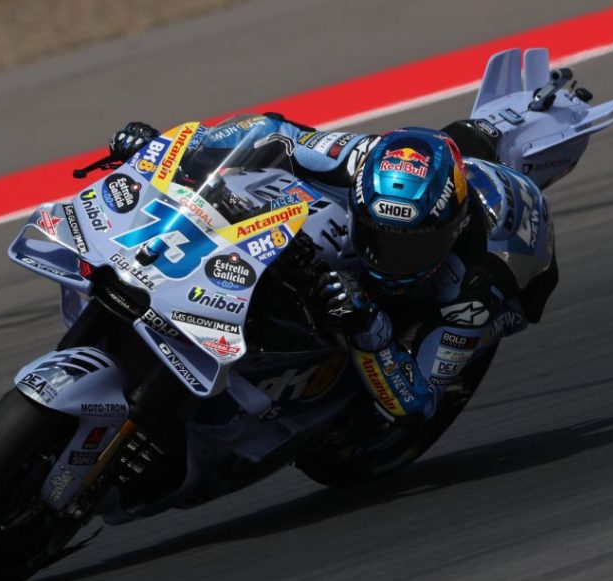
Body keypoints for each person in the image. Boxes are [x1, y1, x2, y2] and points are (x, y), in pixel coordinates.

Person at [108, 115, 557, 430]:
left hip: (516, 269)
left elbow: (417, 402)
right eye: (377, 235)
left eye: (412, 246)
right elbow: (272, 132)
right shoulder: (358, 158)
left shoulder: (474, 289)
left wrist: (369, 327)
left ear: (451, 231)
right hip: (433, 180)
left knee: (426, 343)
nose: (388, 257)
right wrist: (174, 150)